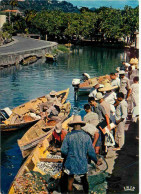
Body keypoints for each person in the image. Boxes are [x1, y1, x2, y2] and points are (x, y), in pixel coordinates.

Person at [61, 115, 101, 193]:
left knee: (70, 182)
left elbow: (63, 151)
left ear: (73, 125)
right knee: (84, 180)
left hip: (71, 163)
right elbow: (91, 152)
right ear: (80, 125)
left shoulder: (68, 136)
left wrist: (67, 156)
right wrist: (96, 160)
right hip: (82, 163)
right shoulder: (86, 137)